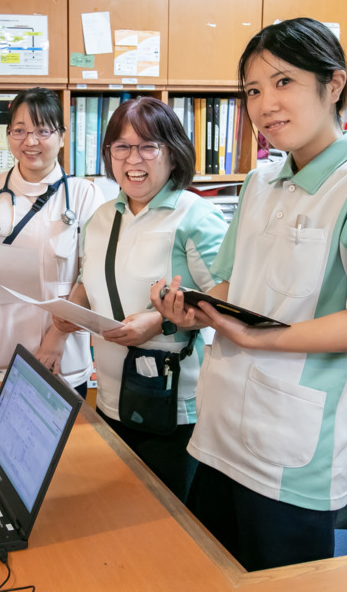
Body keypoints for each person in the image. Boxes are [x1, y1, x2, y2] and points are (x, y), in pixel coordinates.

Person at [151, 17, 347, 570]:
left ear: (334, 84)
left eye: (283, 82)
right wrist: (192, 311)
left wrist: (256, 336)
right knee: (211, 571)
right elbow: (231, 286)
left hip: (291, 449)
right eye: (252, 90)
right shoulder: (259, 181)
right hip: (222, 426)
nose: (264, 104)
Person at [54, 97, 227, 501]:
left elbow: (227, 298)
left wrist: (161, 321)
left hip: (174, 400)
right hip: (112, 394)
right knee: (120, 510)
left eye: (149, 146)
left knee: (169, 521)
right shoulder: (101, 217)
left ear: (173, 153)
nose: (134, 158)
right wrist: (71, 310)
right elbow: (88, 276)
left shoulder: (194, 216)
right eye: (122, 146)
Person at [0, 88, 104, 396]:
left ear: (61, 136)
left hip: (60, 355)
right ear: (8, 136)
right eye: (19, 131)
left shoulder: (84, 194)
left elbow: (91, 277)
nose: (30, 141)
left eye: (42, 131)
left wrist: (56, 338)